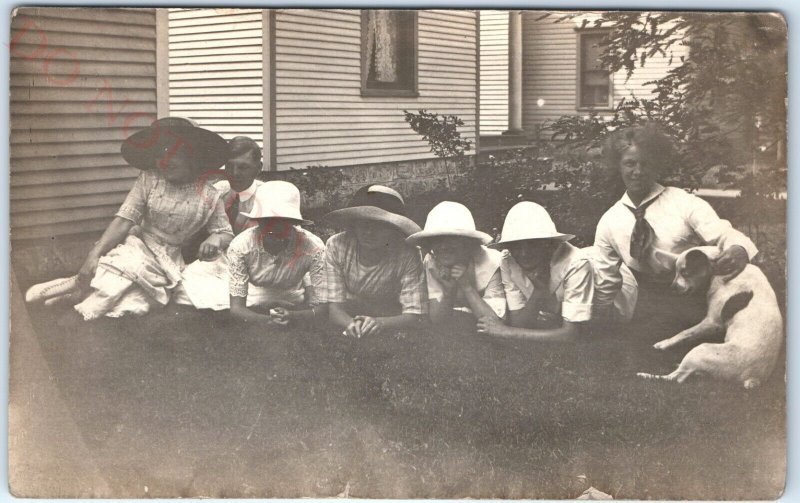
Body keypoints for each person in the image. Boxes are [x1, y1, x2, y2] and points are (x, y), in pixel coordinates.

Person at [25, 117, 235, 319]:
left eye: (171, 154)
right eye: (159, 155)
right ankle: (78, 293)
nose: (164, 161)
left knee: (139, 301)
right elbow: (125, 218)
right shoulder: (150, 179)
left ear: (192, 156)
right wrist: (94, 254)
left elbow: (224, 232)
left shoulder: (209, 194)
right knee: (123, 271)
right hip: (140, 244)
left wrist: (214, 239)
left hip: (170, 259)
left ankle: (79, 294)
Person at [592, 123, 758, 322]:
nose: (638, 171)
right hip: (648, 307)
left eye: (645, 164)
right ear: (618, 166)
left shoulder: (683, 202)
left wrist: (739, 248)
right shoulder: (609, 221)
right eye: (630, 163)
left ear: (657, 166)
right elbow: (605, 280)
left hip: (696, 300)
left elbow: (723, 232)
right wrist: (598, 319)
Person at [476, 201, 636, 341]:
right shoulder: (508, 260)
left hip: (615, 294)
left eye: (532, 244)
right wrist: (539, 291)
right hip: (561, 298)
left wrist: (506, 332)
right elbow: (519, 322)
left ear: (548, 243)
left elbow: (571, 334)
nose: (524, 253)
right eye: (516, 245)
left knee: (598, 328)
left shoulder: (576, 263)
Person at [322, 184, 427, 338]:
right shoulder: (337, 245)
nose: (369, 232)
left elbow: (414, 313)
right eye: (363, 223)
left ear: (394, 228)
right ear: (354, 224)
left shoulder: (407, 253)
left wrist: (380, 322)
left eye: (379, 225)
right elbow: (335, 309)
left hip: (391, 310)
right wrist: (351, 324)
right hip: (351, 308)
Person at [223, 181, 326, 327]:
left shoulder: (313, 247)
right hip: (253, 297)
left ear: (293, 222)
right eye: (267, 220)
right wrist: (267, 321)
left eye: (282, 221)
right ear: (257, 220)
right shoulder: (241, 246)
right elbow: (237, 308)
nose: (273, 228)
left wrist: (293, 315)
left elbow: (322, 307)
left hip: (293, 296)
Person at [405, 201, 506, 327]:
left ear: (468, 242)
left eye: (452, 239)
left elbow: (496, 324)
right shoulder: (432, 261)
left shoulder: (492, 262)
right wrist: (449, 292)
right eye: (437, 240)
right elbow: (437, 321)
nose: (444, 247)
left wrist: (467, 286)